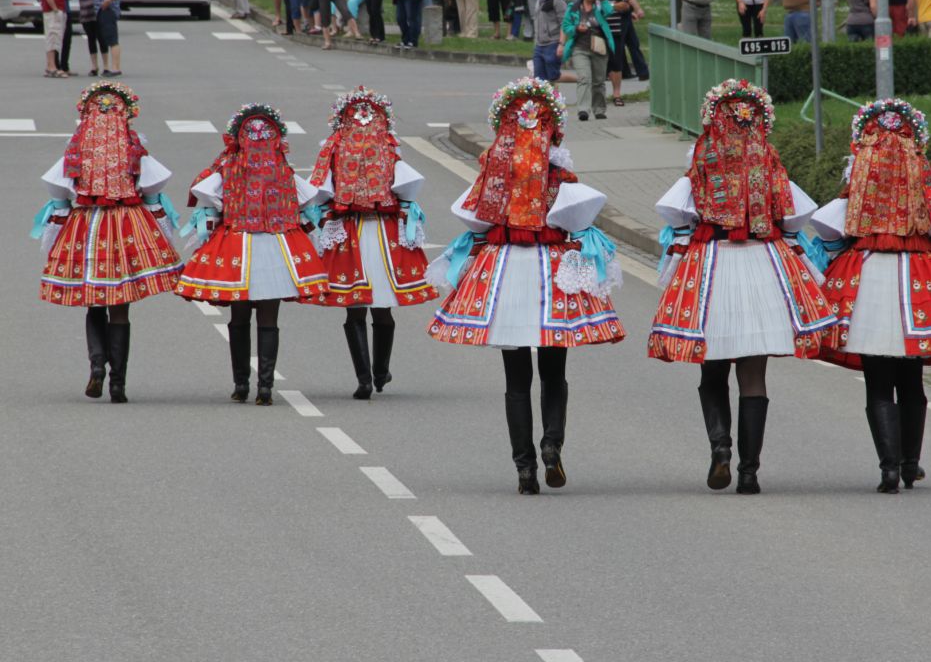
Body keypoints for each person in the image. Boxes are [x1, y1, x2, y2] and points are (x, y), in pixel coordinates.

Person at [427, 77, 626, 494]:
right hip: (552, 273)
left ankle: (524, 469)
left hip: (505, 272)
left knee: (516, 380)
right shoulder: (560, 173)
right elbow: (578, 219)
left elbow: (474, 218)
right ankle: (552, 444)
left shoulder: (493, 171)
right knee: (554, 371)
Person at [649, 79, 837, 495]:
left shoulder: (702, 155)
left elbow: (680, 212)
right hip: (763, 262)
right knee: (754, 375)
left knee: (712, 367)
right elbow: (789, 213)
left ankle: (721, 449)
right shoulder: (768, 157)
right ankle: (749, 472)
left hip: (712, 262)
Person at [811, 98, 931, 492]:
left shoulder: (857, 176)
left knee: (878, 381)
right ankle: (911, 463)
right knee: (912, 379)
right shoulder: (921, 176)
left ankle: (888, 469)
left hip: (864, 275)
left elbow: (831, 229)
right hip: (916, 275)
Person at [32, 82, 183, 402]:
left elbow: (58, 194)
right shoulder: (134, 146)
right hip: (126, 226)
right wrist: (163, 235)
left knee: (94, 301)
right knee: (120, 306)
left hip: (86, 227)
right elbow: (153, 191)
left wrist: (54, 240)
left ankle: (97, 366)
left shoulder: (76, 148)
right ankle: (118, 383)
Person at [176, 104, 328, 406]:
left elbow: (203, 192)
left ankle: (241, 384)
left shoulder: (228, 166)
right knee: (269, 317)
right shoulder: (283, 168)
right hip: (276, 245)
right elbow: (307, 198)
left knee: (239, 316)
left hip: (238, 245)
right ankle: (265, 387)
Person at [307, 87, 438, 398]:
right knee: (382, 307)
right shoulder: (389, 146)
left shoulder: (334, 147)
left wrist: (326, 214)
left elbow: (320, 190)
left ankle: (364, 379)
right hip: (383, 231)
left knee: (355, 308)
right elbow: (407, 186)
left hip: (351, 229)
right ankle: (380, 372)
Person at [559, 0, 614, 121]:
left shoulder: (600, 5)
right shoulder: (574, 7)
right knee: (584, 78)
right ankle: (583, 109)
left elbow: (610, 12)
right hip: (580, 48)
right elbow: (566, 26)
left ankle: (599, 109)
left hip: (599, 48)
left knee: (598, 81)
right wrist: (576, 28)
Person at [589, 0, 628, 107]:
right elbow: (580, 5)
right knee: (595, 65)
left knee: (616, 63)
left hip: (613, 31)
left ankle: (617, 94)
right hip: (594, 31)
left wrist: (609, 6)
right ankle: (597, 96)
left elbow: (625, 4)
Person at [530, 0, 572, 83]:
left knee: (553, 77)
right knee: (539, 80)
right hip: (539, 45)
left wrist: (561, 44)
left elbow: (564, 23)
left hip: (552, 43)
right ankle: (547, 97)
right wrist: (536, 42)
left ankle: (582, 79)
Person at [75, 0, 107, 76]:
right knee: (91, 38)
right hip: (85, 12)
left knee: (101, 37)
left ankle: (106, 66)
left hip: (97, 10)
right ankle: (94, 66)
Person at [56, 0, 76, 76]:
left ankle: (65, 65)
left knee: (67, 39)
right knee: (56, 38)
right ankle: (56, 65)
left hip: (66, 10)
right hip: (56, 10)